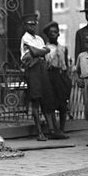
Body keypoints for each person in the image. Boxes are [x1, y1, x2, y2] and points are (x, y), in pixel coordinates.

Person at [20, 13, 58, 141]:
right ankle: (39, 132)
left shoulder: (39, 39)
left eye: (34, 24)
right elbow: (38, 52)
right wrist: (41, 51)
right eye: (30, 24)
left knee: (46, 98)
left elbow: (42, 52)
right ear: (25, 25)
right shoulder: (25, 38)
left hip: (42, 69)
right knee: (35, 100)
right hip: (33, 70)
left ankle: (51, 130)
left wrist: (39, 52)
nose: (33, 26)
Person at [43, 21, 71, 139]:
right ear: (48, 35)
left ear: (59, 34)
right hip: (50, 77)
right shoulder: (45, 49)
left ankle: (62, 129)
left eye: (55, 32)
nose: (53, 34)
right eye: (51, 33)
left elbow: (66, 64)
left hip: (61, 76)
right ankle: (54, 129)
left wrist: (67, 78)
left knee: (63, 104)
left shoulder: (63, 48)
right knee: (51, 103)